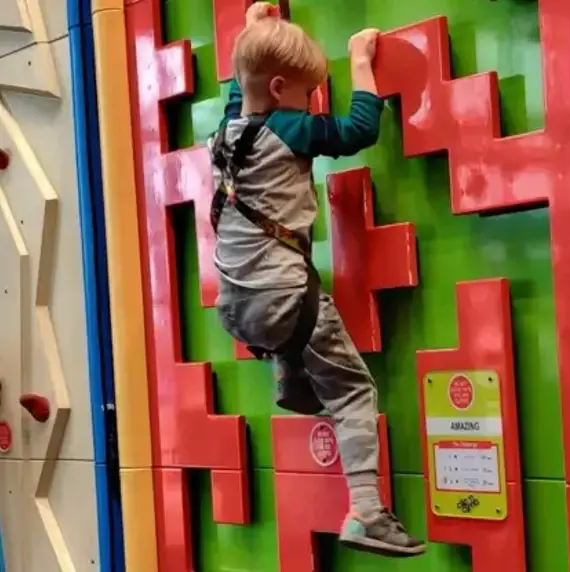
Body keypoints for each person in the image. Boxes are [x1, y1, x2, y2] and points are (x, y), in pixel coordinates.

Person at [209, 3, 426, 558]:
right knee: (354, 389)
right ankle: (368, 513)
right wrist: (359, 60)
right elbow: (358, 129)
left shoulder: (228, 132)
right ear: (281, 89)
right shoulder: (290, 128)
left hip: (234, 303)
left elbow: (242, 88)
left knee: (292, 326)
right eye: (307, 93)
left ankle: (292, 378)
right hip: (284, 299)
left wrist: (254, 31)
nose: (310, 104)